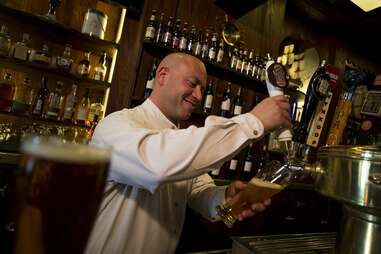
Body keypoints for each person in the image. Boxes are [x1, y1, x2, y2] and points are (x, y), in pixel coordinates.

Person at [85, 53, 291, 254]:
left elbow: (199, 190)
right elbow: (158, 164)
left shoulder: (178, 139)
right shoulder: (115, 125)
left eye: (202, 89)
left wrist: (226, 197)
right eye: (192, 84)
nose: (199, 96)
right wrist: (253, 122)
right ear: (162, 76)